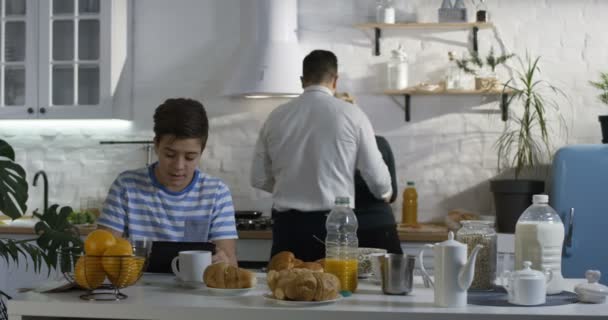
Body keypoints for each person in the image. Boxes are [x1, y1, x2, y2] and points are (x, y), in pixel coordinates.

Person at [250, 50, 392, 262]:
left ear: (301, 80)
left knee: (284, 288)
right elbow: (377, 177)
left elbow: (258, 178)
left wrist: (292, 187)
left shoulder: (276, 117)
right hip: (334, 227)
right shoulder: (353, 115)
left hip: (287, 228)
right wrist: (386, 192)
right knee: (335, 289)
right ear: (335, 80)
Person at [97, 98, 238, 266]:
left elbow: (230, 264)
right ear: (156, 144)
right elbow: (101, 256)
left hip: (197, 290)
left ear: (202, 150)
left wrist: (223, 263)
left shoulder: (216, 193)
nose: (179, 166)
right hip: (135, 288)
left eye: (190, 157)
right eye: (170, 155)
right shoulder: (126, 186)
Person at [336, 93, 402, 254]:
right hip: (377, 225)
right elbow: (390, 195)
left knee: (340, 278)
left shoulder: (324, 150)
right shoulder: (379, 143)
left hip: (339, 228)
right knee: (384, 278)